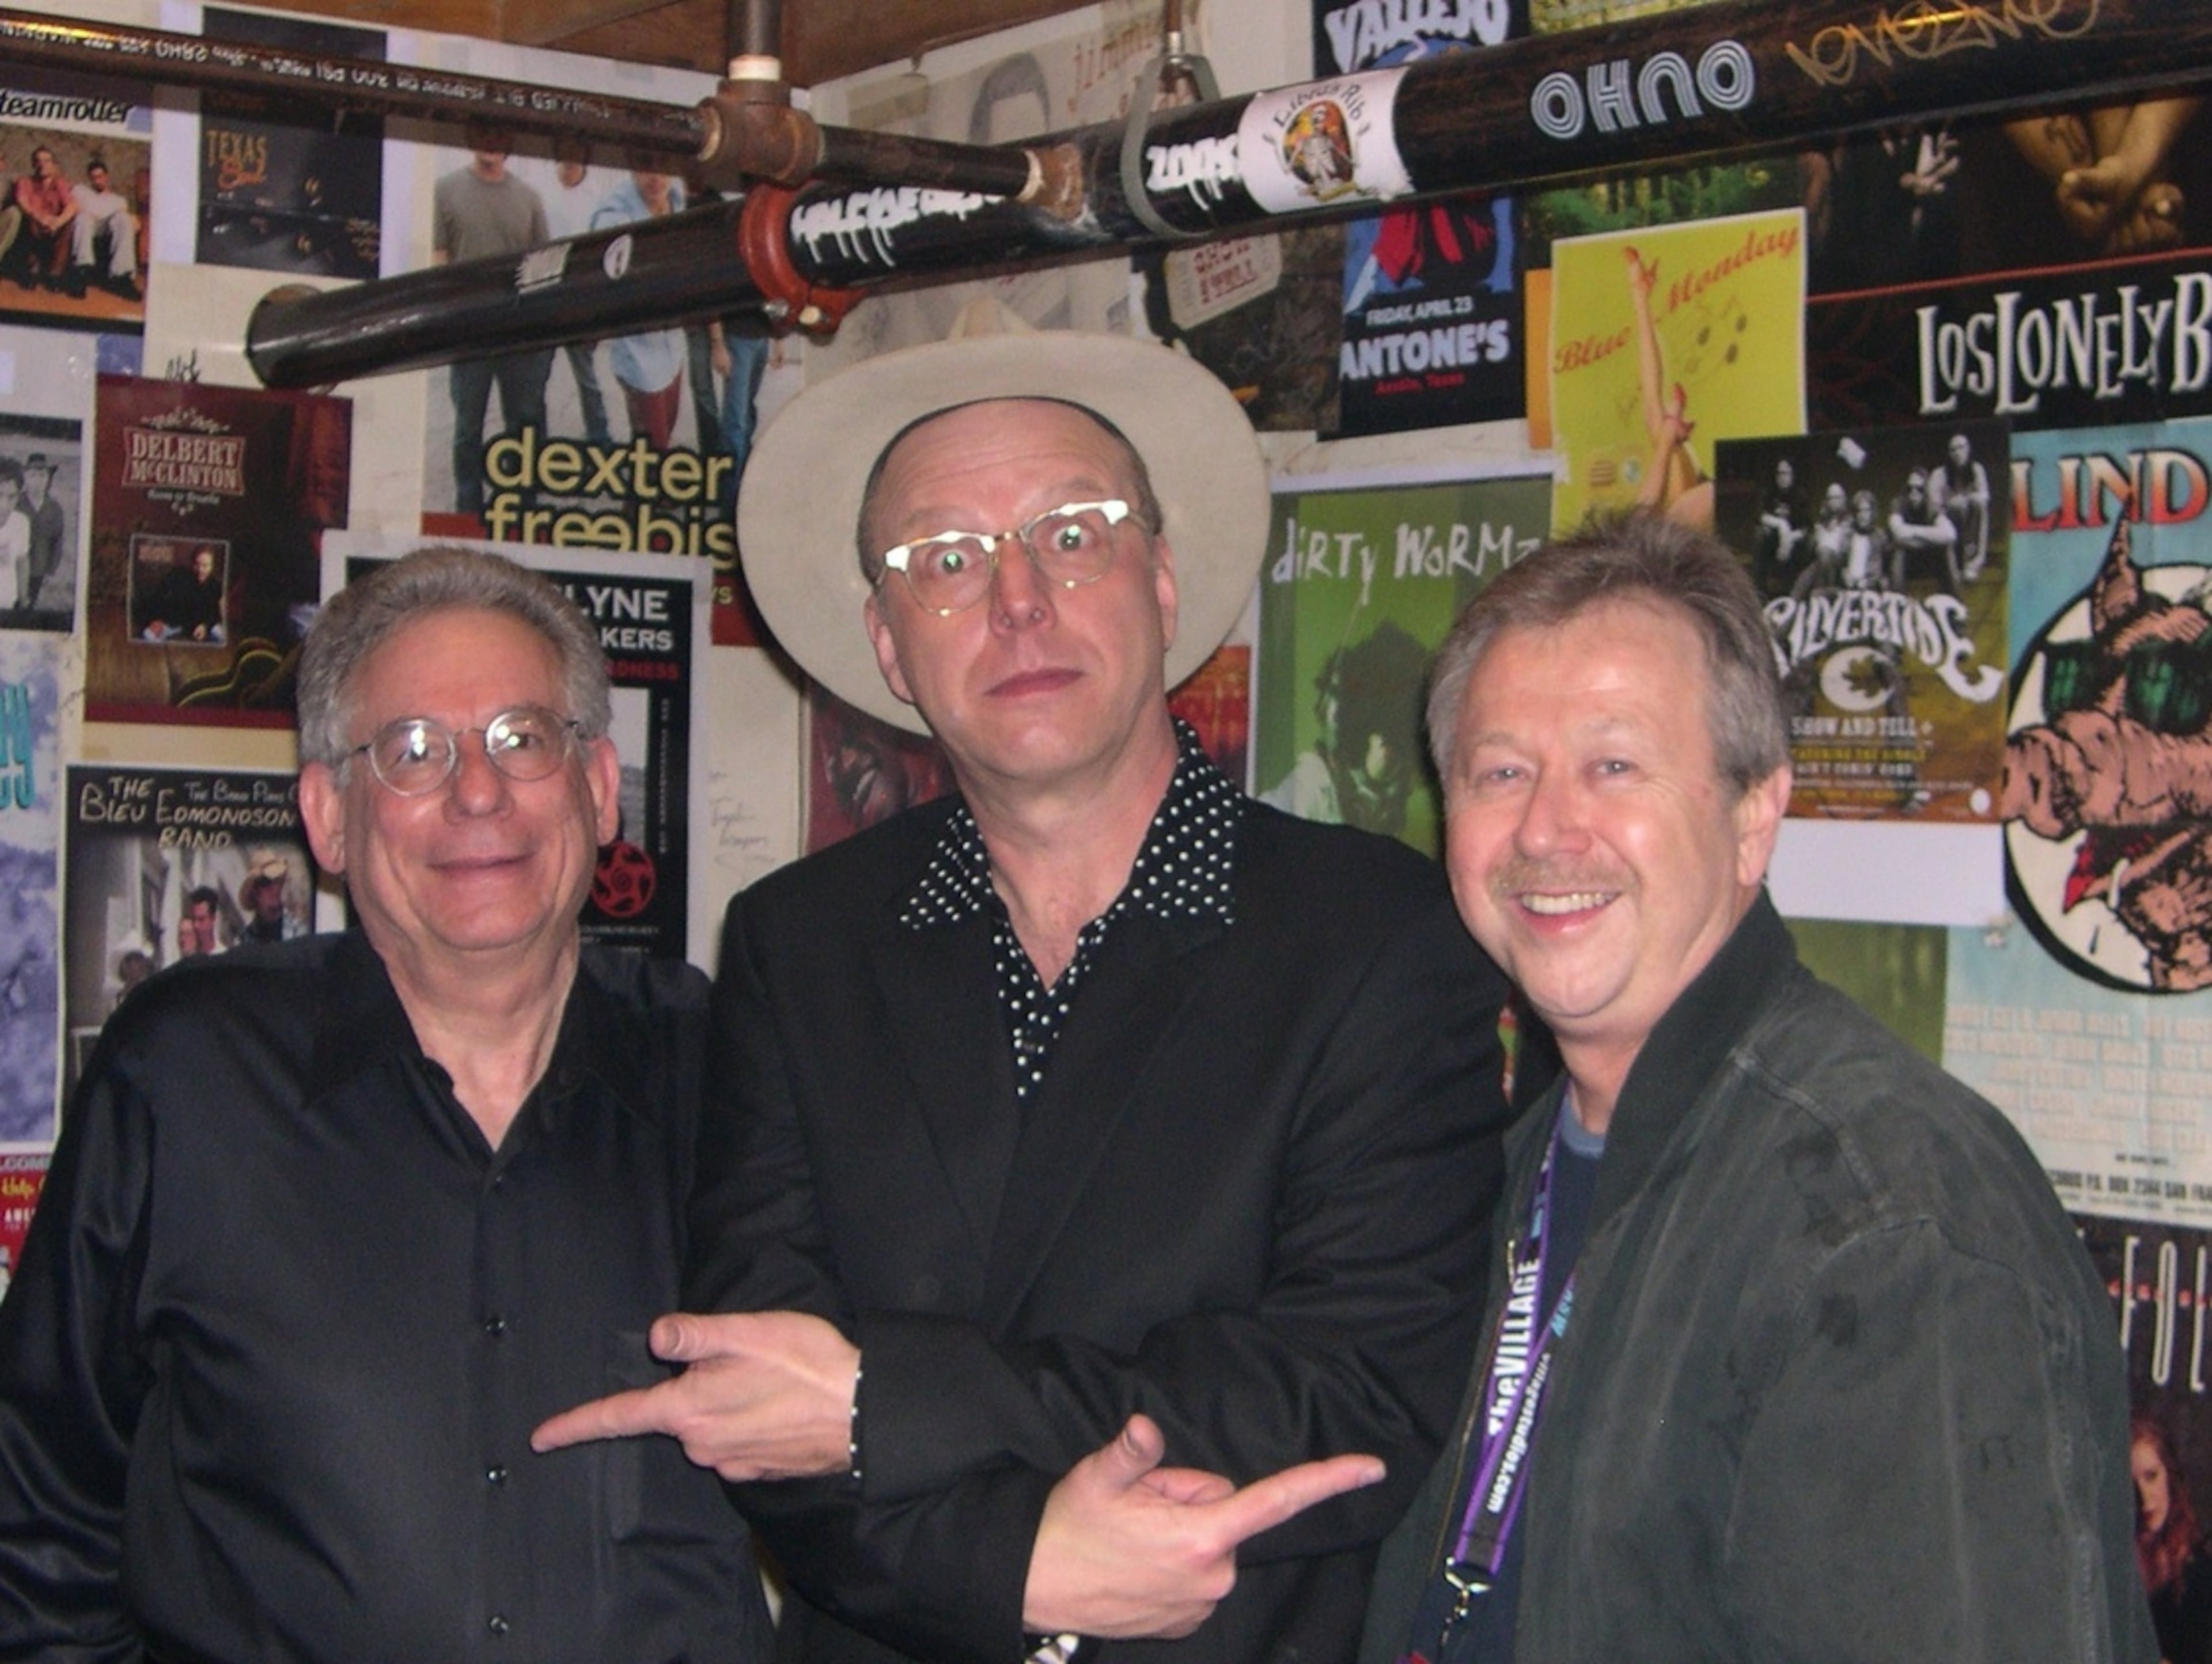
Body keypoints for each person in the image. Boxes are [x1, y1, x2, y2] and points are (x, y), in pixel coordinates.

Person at [534, 321, 1519, 1662]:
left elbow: (1346, 1388)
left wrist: (887, 1395)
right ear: (888, 645)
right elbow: (765, 1401)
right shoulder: (795, 942)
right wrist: (1019, 1566)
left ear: (1162, 581)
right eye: (945, 561)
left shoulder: (1375, 933)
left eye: (1072, 534)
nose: (1016, 601)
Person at [1362, 511, 2154, 1664]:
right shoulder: (1506, 1162)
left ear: (1753, 815)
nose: (1545, 827)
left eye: (1614, 763)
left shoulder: (1888, 1222)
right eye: (1501, 771)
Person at [0, 548, 773, 1662]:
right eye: (412, 751)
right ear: (327, 815)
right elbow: (35, 1522)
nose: (477, 792)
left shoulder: (737, 1073)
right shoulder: (185, 1075)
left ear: (599, 787)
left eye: (522, 737)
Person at [433, 125, 554, 518]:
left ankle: (524, 507)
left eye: (500, 136)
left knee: (524, 424)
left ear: (509, 143)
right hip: (470, 332)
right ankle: (468, 510)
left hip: (517, 334)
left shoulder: (529, 199)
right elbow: (439, 257)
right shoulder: (446, 190)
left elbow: (543, 267)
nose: (492, 141)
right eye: (485, 134)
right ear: (471, 139)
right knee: (468, 426)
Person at [590, 163, 688, 449]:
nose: (656, 175)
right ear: (633, 166)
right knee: (653, 450)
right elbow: (605, 280)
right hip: (639, 358)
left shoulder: (677, 200)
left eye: (663, 164)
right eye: (647, 166)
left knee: (662, 441)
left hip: (673, 351)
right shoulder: (615, 216)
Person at [540, 137, 613, 444]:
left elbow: (602, 257)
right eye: (566, 150)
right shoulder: (542, 192)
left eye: (577, 149)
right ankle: (536, 441)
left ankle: (599, 439)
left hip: (579, 302)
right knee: (536, 379)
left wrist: (598, 311)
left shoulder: (597, 198)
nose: (571, 156)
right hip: (544, 299)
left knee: (588, 379)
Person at [2134, 1414, 2212, 1664]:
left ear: (2170, 1474)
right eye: (2130, 1485)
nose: (2145, 1500)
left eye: (2151, 1476)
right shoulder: (2103, 1569)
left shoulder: (2199, 1575)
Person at [4, 146, 75, 291]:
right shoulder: (25, 181)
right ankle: (32, 270)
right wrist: (39, 217)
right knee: (26, 217)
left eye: (47, 161)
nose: (42, 165)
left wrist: (58, 222)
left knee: (70, 222)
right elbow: (22, 201)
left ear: (54, 165)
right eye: (38, 161)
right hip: (34, 225)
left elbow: (72, 205)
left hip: (54, 227)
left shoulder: (60, 183)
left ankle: (55, 274)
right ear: (33, 164)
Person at [67, 157, 138, 300]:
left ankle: (122, 276)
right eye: (93, 178)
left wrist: (133, 222)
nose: (97, 181)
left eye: (100, 177)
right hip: (88, 226)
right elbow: (72, 207)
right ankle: (82, 271)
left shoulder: (118, 200)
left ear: (106, 177)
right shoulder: (80, 190)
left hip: (107, 229)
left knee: (124, 219)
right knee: (84, 218)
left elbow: (128, 223)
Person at [1889, 465, 1963, 594]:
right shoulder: (1899, 504)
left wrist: (1913, 533)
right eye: (1910, 488)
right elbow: (1899, 534)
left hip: (1928, 561)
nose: (1914, 493)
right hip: (1908, 563)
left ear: (1926, 490)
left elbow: (1950, 535)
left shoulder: (1932, 507)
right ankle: (1898, 601)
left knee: (1947, 549)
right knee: (1899, 550)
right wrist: (1933, 537)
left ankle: (1955, 600)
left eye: (1919, 489)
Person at [1932, 429, 1993, 581]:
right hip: (1948, 521)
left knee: (1977, 503)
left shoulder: (1977, 469)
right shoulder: (1940, 474)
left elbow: (1984, 497)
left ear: (1968, 450)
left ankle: (1974, 561)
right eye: (1953, 449)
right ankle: (1960, 562)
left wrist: (1967, 499)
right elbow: (1934, 506)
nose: (1958, 453)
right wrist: (1953, 504)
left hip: (1971, 519)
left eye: (1961, 448)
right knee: (1959, 506)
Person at [138, 543, 224, 642]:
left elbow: (215, 613)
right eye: (197, 565)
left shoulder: (215, 586)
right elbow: (158, 595)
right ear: (192, 564)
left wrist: (205, 626)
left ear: (212, 566)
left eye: (205, 566)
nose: (201, 570)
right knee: (148, 635)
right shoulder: (179, 575)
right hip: (174, 622)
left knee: (220, 635)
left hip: (198, 626)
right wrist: (156, 619)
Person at [20, 453, 65, 616]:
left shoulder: (54, 509)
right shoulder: (16, 504)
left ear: (48, 479)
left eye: (42, 475)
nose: (38, 481)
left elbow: (57, 542)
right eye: (33, 475)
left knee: (29, 607)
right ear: (25, 478)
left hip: (39, 569)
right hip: (14, 568)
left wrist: (50, 571)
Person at [179, 884, 221, 958]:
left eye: (201, 920)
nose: (196, 925)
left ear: (213, 919)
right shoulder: (188, 957)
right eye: (193, 919)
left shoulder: (222, 957)